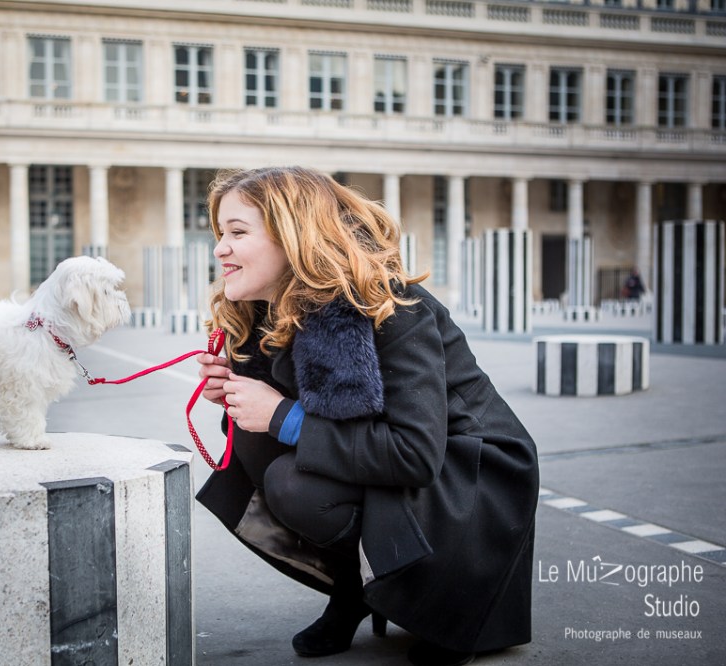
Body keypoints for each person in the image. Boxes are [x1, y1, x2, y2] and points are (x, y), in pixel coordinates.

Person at [195, 167, 539, 666]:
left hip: (471, 476)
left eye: (237, 232)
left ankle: (444, 603)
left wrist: (280, 416)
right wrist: (238, 392)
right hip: (402, 461)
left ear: (294, 235)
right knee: (254, 444)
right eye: (220, 234)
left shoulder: (392, 307)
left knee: (295, 479)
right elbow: (302, 425)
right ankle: (354, 591)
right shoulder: (274, 315)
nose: (220, 248)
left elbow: (415, 454)